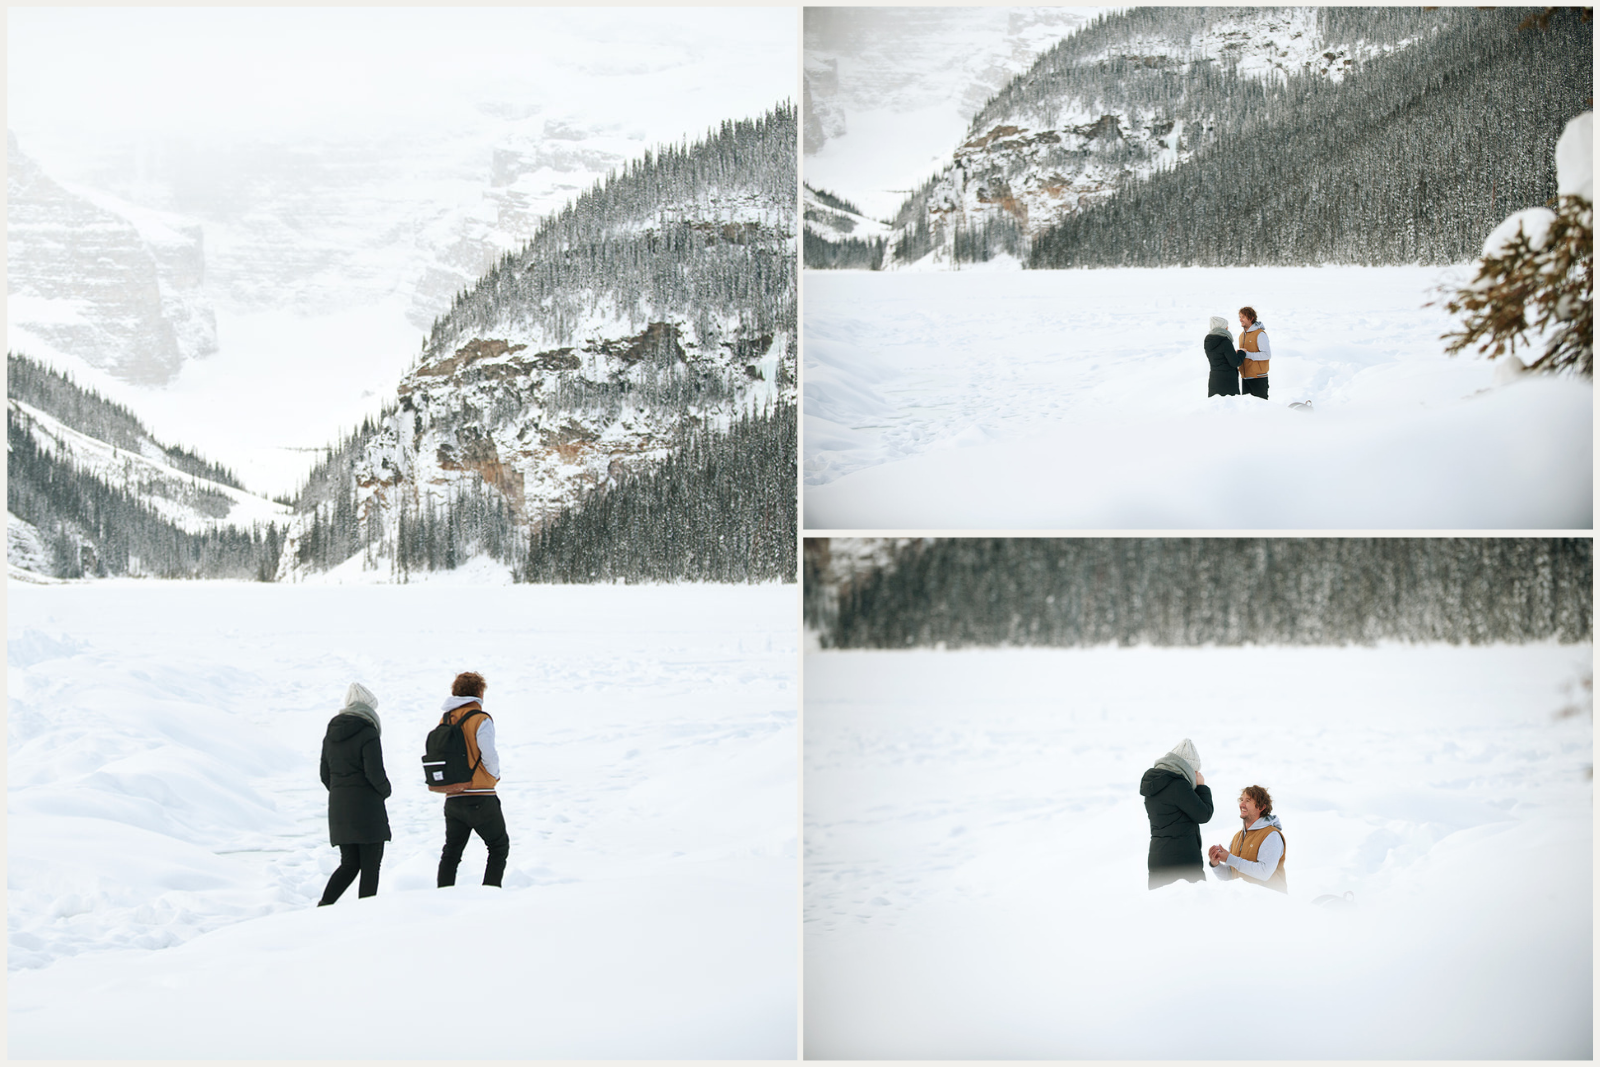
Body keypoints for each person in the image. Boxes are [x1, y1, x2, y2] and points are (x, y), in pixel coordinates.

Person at [318, 682, 391, 904]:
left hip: (340, 809)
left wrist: (342, 793)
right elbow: (374, 772)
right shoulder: (367, 731)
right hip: (367, 809)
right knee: (370, 865)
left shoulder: (331, 733)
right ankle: (365, 915)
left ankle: (324, 905)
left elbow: (325, 774)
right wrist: (385, 790)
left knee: (349, 863)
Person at [435, 671, 510, 888]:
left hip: (453, 796)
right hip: (481, 796)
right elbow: (488, 753)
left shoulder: (445, 718)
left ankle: (443, 894)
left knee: (451, 851)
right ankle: (490, 892)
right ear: (479, 692)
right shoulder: (481, 719)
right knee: (498, 846)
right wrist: (494, 775)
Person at [1140, 738, 1213, 889]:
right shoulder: (1178, 785)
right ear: (1186, 768)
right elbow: (1204, 814)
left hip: (1157, 860)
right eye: (1195, 771)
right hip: (1182, 863)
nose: (1196, 775)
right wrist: (1201, 787)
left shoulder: (1155, 785)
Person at [1208, 784, 1286, 892]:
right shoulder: (1237, 838)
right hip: (1246, 904)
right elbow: (1231, 877)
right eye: (1241, 799)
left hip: (1271, 905)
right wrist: (1215, 864)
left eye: (1248, 800)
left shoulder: (1271, 835)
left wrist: (1229, 859)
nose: (1242, 804)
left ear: (1261, 807)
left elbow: (1264, 873)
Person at [1204, 315, 1243, 396]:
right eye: (1226, 325)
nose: (1227, 327)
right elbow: (1235, 362)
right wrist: (1241, 353)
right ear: (1222, 327)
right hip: (1227, 382)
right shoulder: (1225, 341)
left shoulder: (1208, 341)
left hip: (1214, 380)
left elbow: (1218, 357)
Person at [1237, 307, 1271, 399]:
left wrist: (1246, 354)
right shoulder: (1241, 336)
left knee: (1262, 409)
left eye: (1243, 317)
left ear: (1251, 318)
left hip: (1258, 378)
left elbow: (1267, 355)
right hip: (1245, 378)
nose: (1240, 320)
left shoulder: (1260, 334)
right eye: (1240, 317)